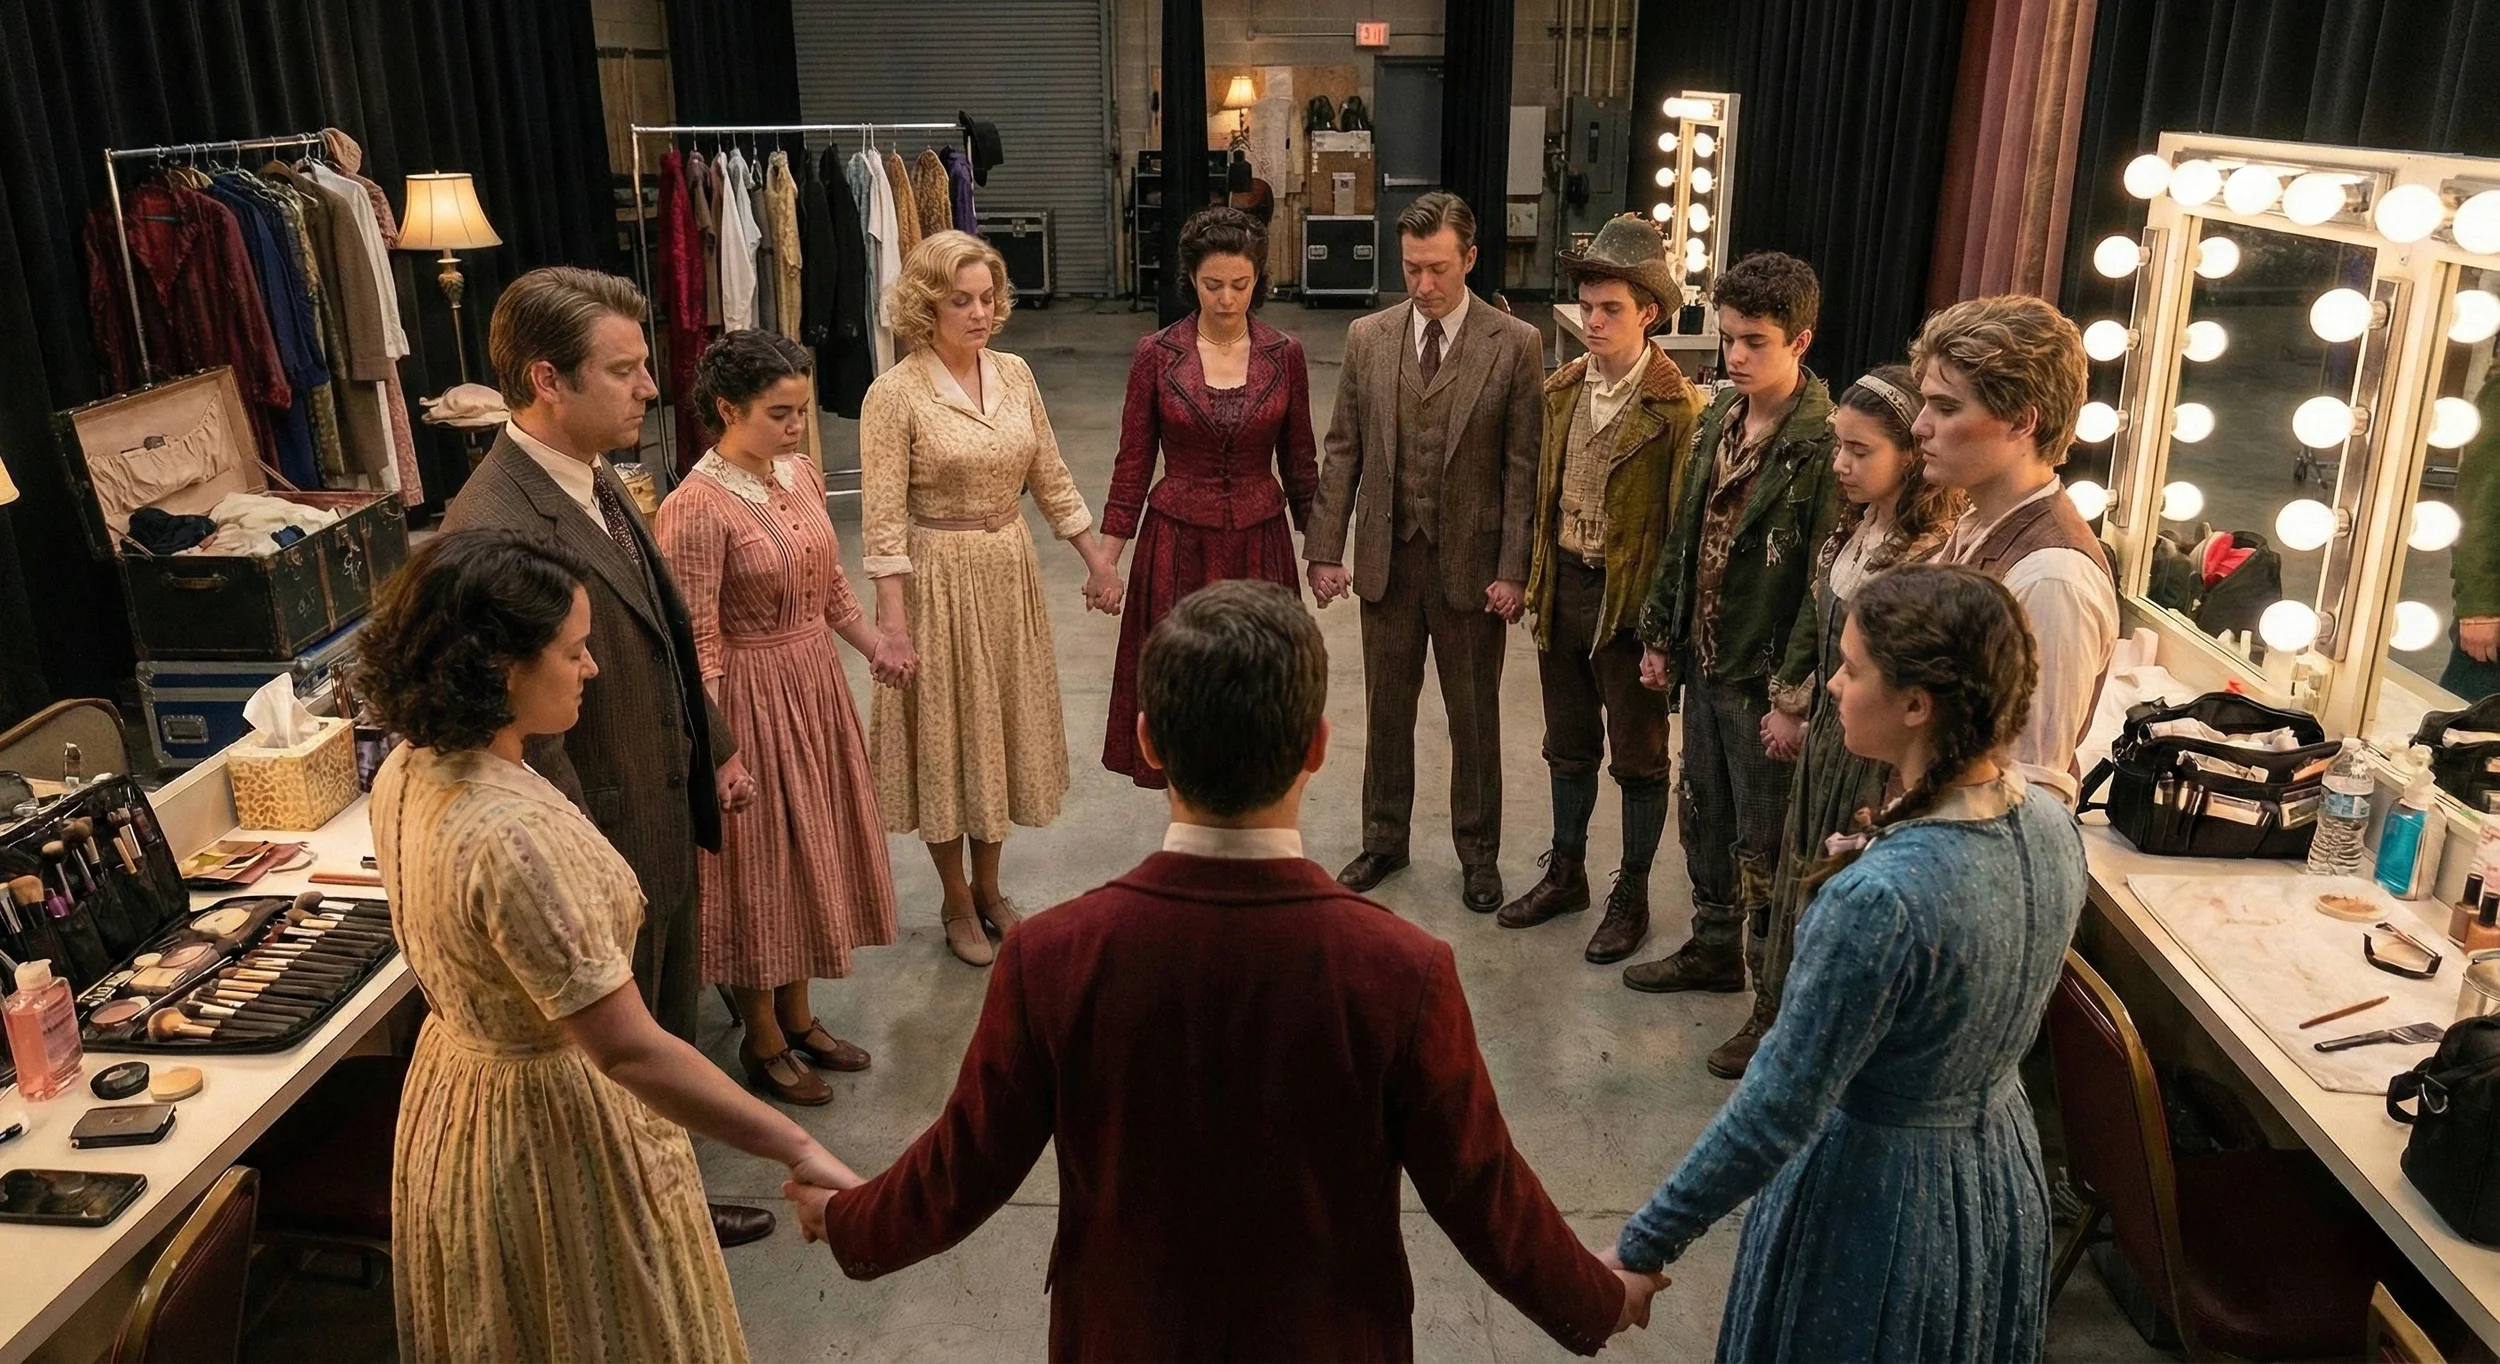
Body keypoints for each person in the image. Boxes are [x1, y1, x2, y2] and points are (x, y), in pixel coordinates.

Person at [784, 581, 1665, 1359]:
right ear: (1317, 746)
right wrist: (1600, 1297)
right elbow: (1484, 1196)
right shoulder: (1401, 973)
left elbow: (959, 1172)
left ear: (1148, 742)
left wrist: (848, 1219)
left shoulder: (1054, 957)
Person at [358, 531, 862, 1362]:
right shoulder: (512, 839)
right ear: (499, 666)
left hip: (457, 1103)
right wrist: (797, 1146)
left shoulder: (406, 770)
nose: (592, 668)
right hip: (549, 1131)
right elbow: (628, 1050)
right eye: (574, 651)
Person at [1607, 564, 2083, 1363]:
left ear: (1916, 705)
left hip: (1883, 1207)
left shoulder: (1882, 900)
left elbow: (1775, 1109)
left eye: (1854, 668)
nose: (1831, 683)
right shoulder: (2050, 827)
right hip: (1998, 1177)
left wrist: (1642, 1245)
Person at [439, 265, 772, 1247]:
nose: (649, 388)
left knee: (664, 1033)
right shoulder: (494, 527)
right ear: (548, 378)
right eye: (623, 369)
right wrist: (585, 870)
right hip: (601, 844)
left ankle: (666, 1198)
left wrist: (712, 747)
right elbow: (524, 740)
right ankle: (630, 1229)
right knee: (618, 1064)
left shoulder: (591, 478)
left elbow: (658, 627)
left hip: (656, 815)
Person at [655, 330, 907, 1106]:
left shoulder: (796, 473)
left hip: (815, 685)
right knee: (759, 868)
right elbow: (695, 641)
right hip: (752, 696)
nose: (797, 426)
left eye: (801, 409)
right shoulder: (693, 508)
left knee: (812, 852)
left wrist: (873, 643)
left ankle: (801, 1018)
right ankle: (762, 1040)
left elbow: (829, 584)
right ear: (725, 410)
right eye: (779, 412)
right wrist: (723, 749)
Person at [858, 230, 1123, 967]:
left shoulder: (1014, 373)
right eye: (961, 300)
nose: (980, 313)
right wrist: (893, 625)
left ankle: (991, 885)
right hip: (938, 573)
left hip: (1009, 568)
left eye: (988, 298)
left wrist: (1097, 559)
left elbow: (1051, 475)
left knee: (999, 725)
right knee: (947, 733)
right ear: (926, 304)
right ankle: (953, 898)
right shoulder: (895, 394)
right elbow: (881, 519)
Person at [1705, 366, 1964, 1079]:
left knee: (1837, 886)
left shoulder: (1926, 551)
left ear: (1909, 457)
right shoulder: (1854, 525)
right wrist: (1797, 697)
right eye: (1838, 448)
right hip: (1830, 729)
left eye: (1860, 451)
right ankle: (1774, 1014)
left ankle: (1814, 1036)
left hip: (1872, 754)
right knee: (1795, 874)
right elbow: (1823, 625)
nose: (1842, 466)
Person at [1304, 191, 1545, 911]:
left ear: (1469, 258)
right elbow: (1342, 448)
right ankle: (1383, 839)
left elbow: (1522, 468)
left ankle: (1478, 854)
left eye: (1438, 268)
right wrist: (1324, 548)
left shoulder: (1516, 344)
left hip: (1471, 570)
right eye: (1411, 268)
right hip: (1388, 557)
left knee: (1473, 717)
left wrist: (1513, 569)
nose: (1423, 284)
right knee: (1386, 712)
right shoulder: (1368, 338)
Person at [1624, 252, 1841, 1004]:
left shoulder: (1823, 445)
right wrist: (1660, 635)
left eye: (1756, 341)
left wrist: (1792, 694)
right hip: (1707, 660)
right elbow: (1684, 529)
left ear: (1801, 341)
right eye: (1729, 338)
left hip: (1761, 672)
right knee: (1703, 816)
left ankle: (1771, 996)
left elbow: (1824, 581)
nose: (1736, 355)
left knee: (1765, 840)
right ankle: (1713, 947)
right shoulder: (1719, 413)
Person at [1499, 215, 1704, 965]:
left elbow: (1681, 531)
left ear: (1648, 312)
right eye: (1587, 306)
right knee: (1568, 745)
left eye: (1610, 308)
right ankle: (1567, 873)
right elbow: (1540, 495)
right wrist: (1530, 581)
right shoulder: (1560, 393)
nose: (1593, 321)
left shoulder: (1677, 408)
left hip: (1629, 605)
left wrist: (1662, 632)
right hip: (1566, 587)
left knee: (1641, 758)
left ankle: (1634, 893)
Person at [1100, 205, 1319, 786]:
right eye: (1212, 285)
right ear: (1190, 281)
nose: (1226, 298)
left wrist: (1321, 551)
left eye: (1240, 285)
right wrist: (1106, 559)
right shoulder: (1156, 353)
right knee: (1186, 695)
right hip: (1176, 546)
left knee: (1259, 694)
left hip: (1260, 547)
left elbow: (1300, 462)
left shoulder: (1285, 353)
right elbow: (1133, 461)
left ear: (1259, 281)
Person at [1910, 295, 2118, 803]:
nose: (1919, 426)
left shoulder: (2052, 577)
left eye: (1946, 407)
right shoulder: (1978, 520)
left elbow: (2029, 786)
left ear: (2022, 422)